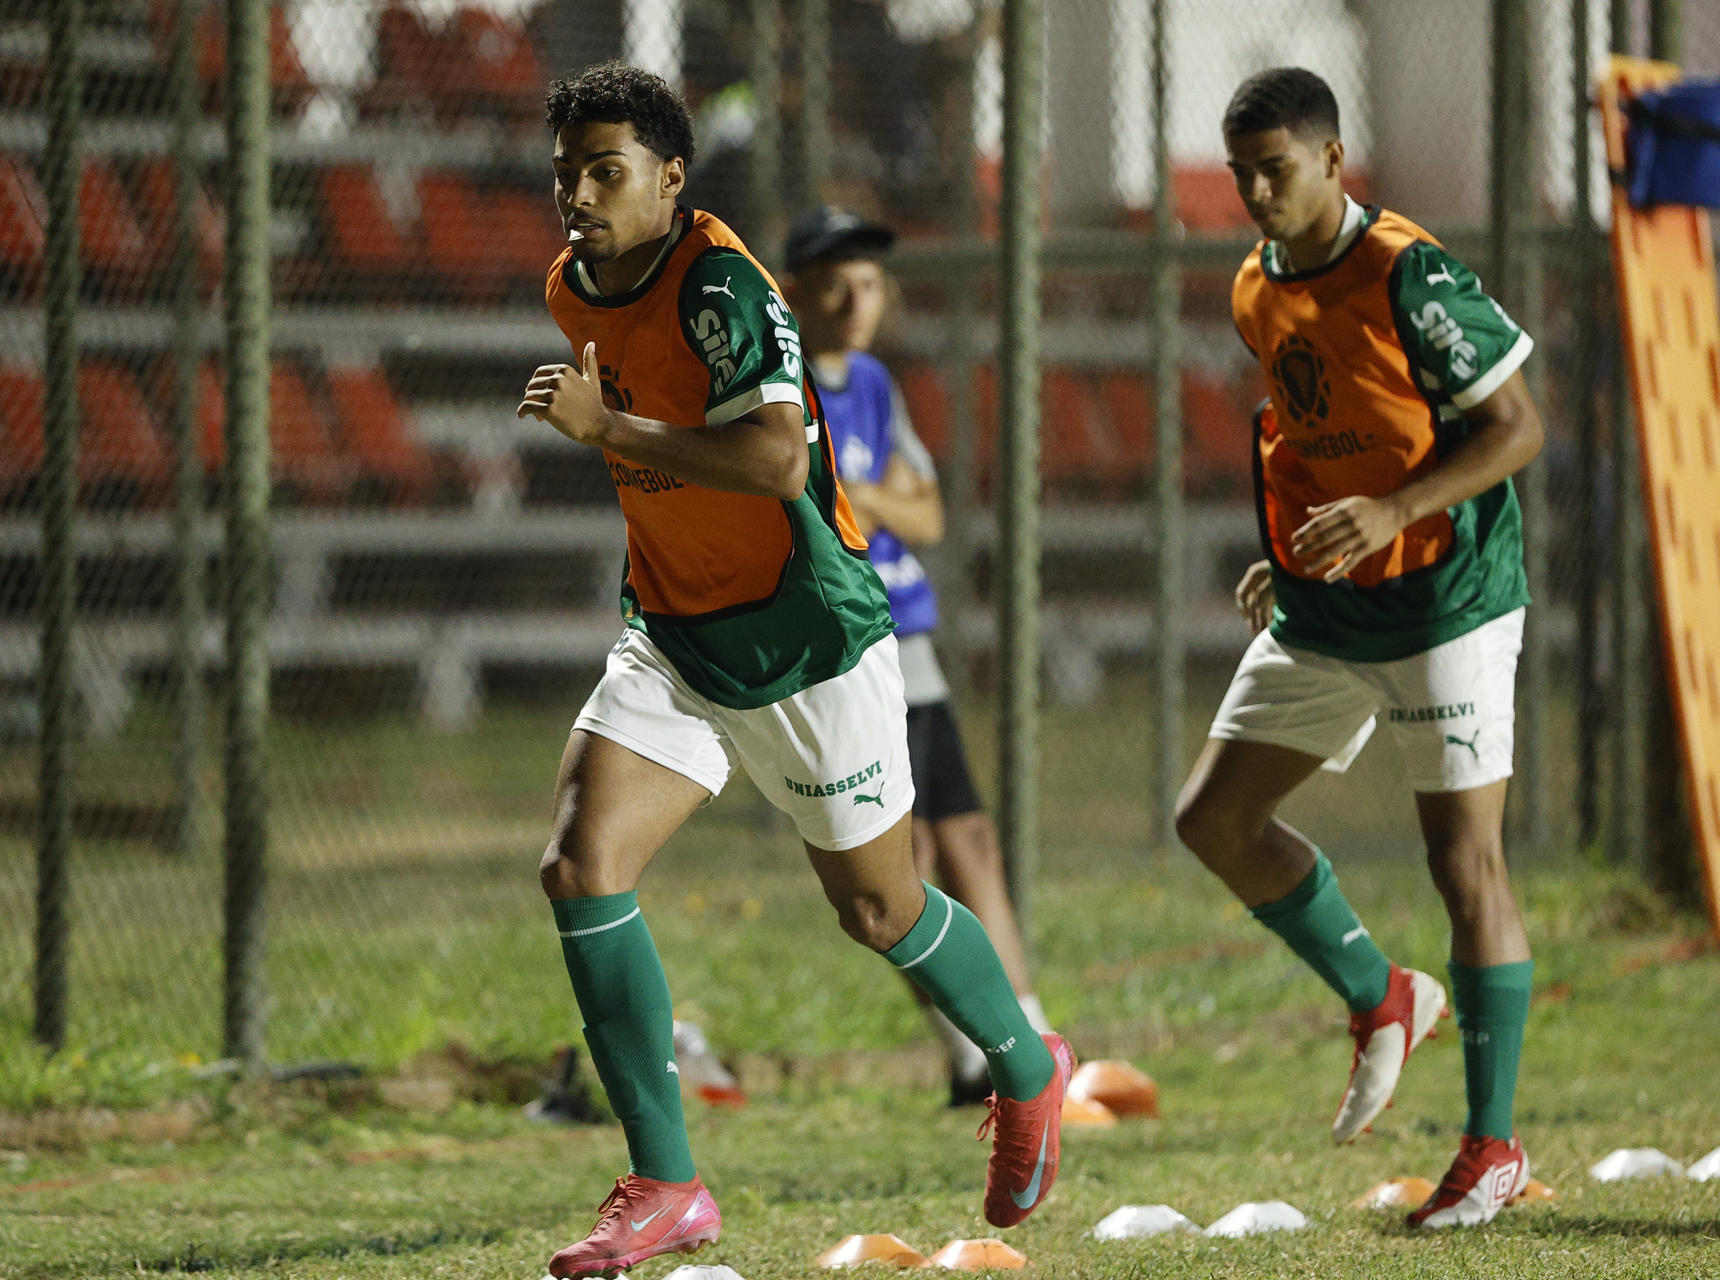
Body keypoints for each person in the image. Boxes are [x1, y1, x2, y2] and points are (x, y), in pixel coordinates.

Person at [517, 62, 1075, 1279]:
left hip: (803, 634)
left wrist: (610, 431)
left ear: (671, 177)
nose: (577, 195)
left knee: (879, 907)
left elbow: (775, 460)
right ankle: (669, 1181)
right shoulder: (572, 284)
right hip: (673, 630)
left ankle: (1030, 1066)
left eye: (604, 172)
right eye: (565, 173)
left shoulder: (725, 283)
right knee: (579, 862)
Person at [1174, 67, 1545, 1230]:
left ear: (1335, 161)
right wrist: (1286, 553)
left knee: (1464, 862)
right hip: (1330, 606)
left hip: (1448, 598)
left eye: (1273, 169)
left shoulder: (1409, 273)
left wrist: (1397, 510)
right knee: (1213, 820)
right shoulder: (1253, 284)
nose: (1253, 193)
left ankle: (1493, 1147)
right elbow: (1304, 421)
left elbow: (1517, 426)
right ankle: (1381, 994)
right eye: (1240, 173)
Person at [780, 205, 1057, 1107]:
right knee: (901, 862)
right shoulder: (784, 387)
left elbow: (927, 515)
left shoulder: (873, 384)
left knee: (967, 833)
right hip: (848, 644)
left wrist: (859, 491)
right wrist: (873, 495)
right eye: (833, 279)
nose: (854, 296)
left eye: (866, 280)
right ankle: (974, 1050)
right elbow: (800, 501)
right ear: (791, 292)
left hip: (912, 637)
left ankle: (1032, 1030)